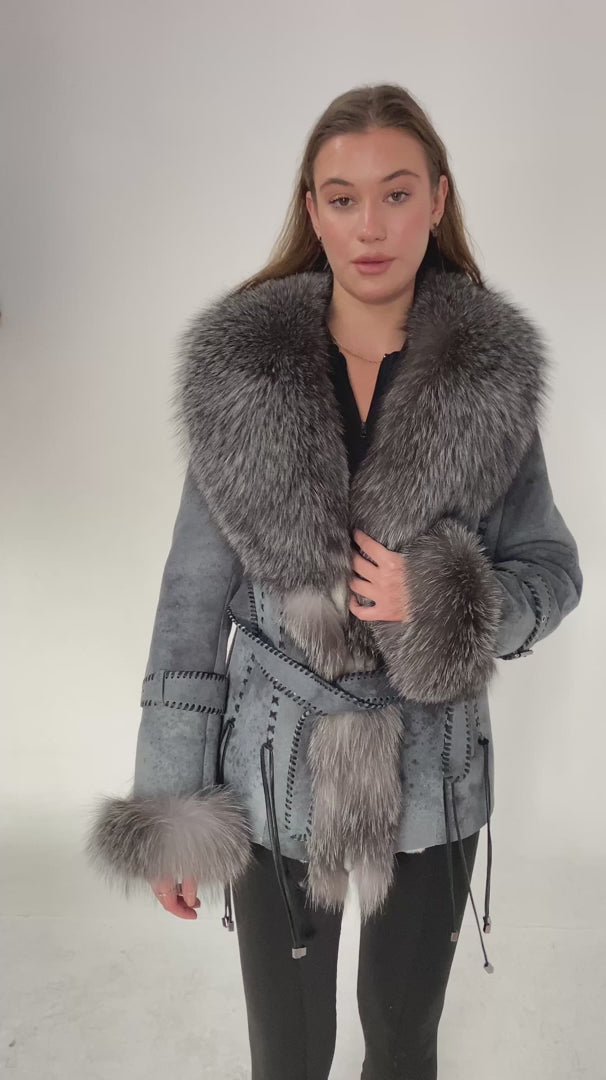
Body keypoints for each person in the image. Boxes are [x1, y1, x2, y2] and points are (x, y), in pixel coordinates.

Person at [85, 83, 583, 1079]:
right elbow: (190, 604)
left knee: (403, 1046)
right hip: (277, 767)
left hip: (435, 769)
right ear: (311, 210)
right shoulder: (245, 378)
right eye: (344, 198)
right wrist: (172, 803)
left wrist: (440, 601)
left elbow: (552, 570)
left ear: (438, 199)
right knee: (289, 1054)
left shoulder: (489, 379)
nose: (371, 226)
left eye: (397, 193)